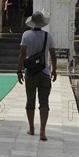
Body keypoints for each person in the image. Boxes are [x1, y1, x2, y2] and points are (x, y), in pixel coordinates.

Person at [17, 10, 57, 141]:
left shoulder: (26, 35)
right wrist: (54, 70)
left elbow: (22, 54)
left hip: (31, 73)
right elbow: (53, 55)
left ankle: (31, 128)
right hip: (44, 72)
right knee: (44, 102)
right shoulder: (48, 36)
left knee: (30, 101)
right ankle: (43, 131)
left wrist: (19, 70)